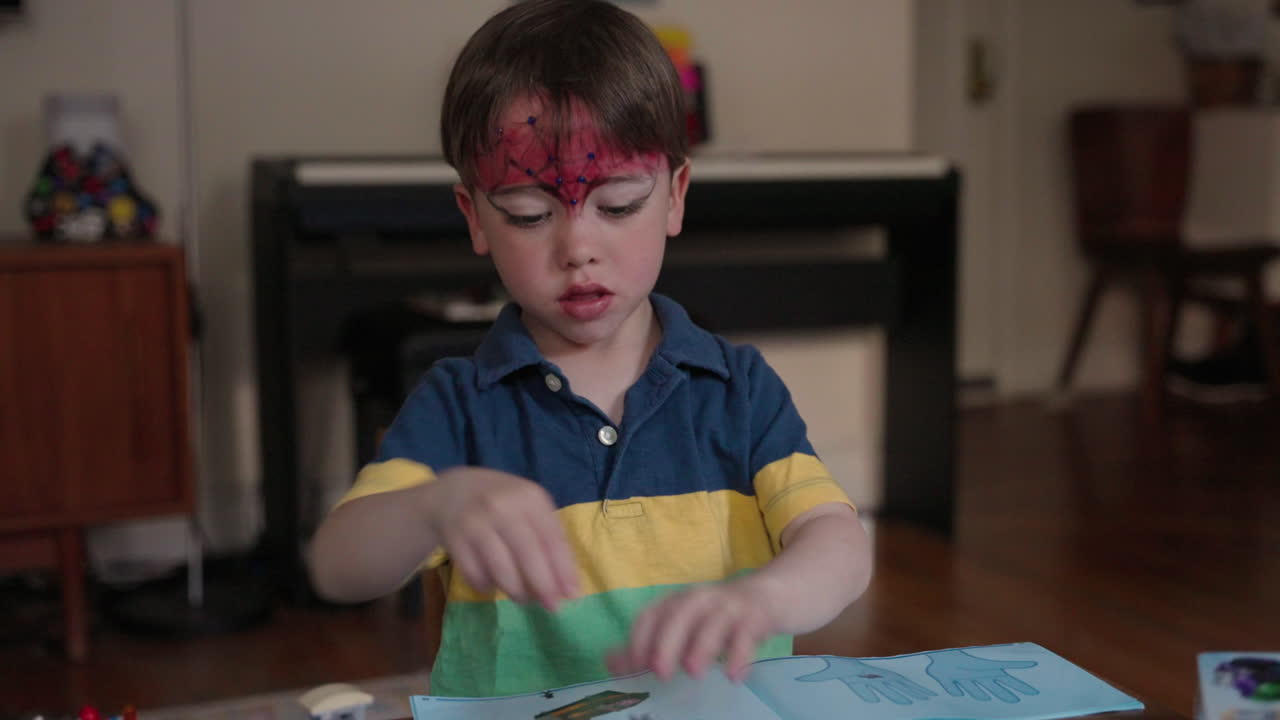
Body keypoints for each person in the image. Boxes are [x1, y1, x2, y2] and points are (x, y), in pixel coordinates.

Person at [308, 0, 872, 699]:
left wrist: (762, 601)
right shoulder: (461, 407)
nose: (578, 249)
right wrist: (433, 506)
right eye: (529, 215)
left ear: (675, 196)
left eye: (619, 205)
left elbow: (841, 547)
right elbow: (337, 567)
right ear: (474, 218)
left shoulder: (739, 390)